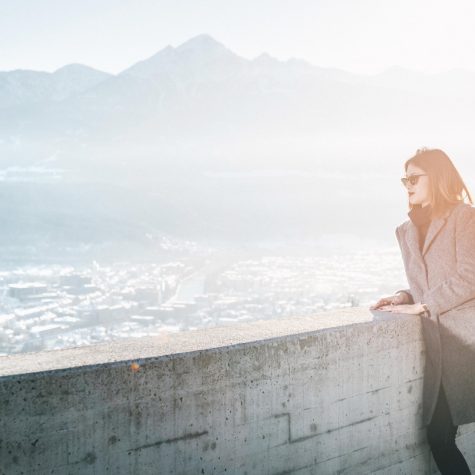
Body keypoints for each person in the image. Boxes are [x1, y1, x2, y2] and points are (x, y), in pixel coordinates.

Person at [371, 148, 474, 474]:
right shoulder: (406, 230)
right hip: (437, 346)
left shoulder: (465, 217)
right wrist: (403, 296)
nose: (408, 185)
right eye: (405, 179)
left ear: (438, 177)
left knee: (439, 434)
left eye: (414, 177)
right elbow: (424, 283)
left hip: (465, 341)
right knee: (439, 434)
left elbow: (470, 278)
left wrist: (424, 304)